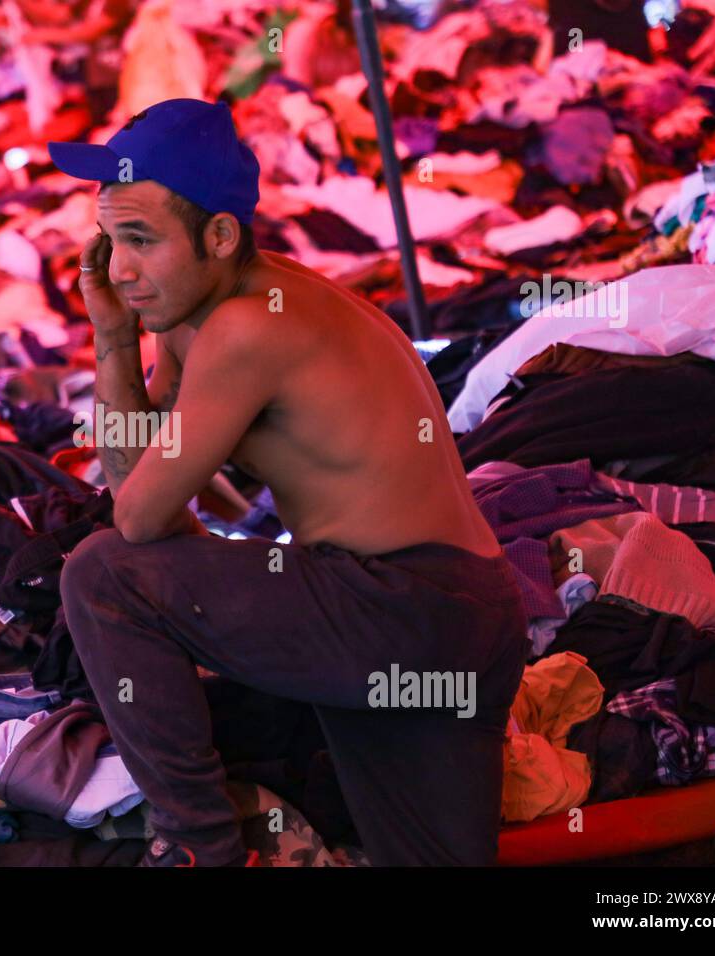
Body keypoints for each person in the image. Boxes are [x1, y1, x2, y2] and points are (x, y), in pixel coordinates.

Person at [48, 99, 529, 867]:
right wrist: (113, 337)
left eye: (140, 239)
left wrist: (114, 341)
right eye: (109, 240)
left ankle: (200, 850)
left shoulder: (249, 327)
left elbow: (134, 527)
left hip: (404, 609)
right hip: (452, 618)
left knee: (99, 575)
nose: (121, 268)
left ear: (220, 235)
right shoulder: (196, 311)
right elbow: (136, 486)